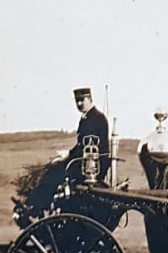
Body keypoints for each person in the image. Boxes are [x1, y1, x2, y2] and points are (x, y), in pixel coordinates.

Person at [12, 87, 111, 226]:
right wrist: (68, 154)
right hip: (87, 160)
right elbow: (82, 145)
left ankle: (38, 208)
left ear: (90, 99)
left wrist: (67, 155)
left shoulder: (96, 118)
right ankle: (37, 205)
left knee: (53, 172)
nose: (79, 104)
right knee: (53, 168)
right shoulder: (88, 117)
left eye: (82, 100)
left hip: (93, 164)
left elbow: (87, 146)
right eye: (77, 101)